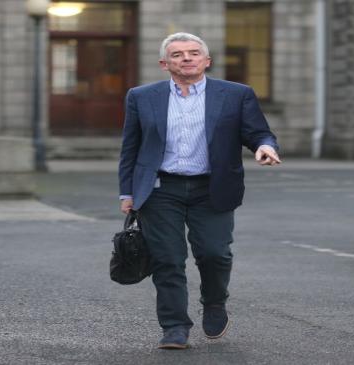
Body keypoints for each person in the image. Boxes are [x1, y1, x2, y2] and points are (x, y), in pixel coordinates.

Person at [118, 32, 280, 349]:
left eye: (194, 53)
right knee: (167, 258)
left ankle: (215, 301)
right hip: (160, 188)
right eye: (177, 54)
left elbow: (259, 132)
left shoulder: (236, 94)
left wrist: (264, 147)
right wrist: (127, 193)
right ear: (165, 64)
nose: (187, 58)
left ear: (207, 61)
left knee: (214, 253)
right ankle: (175, 326)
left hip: (213, 188)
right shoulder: (141, 96)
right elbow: (130, 149)